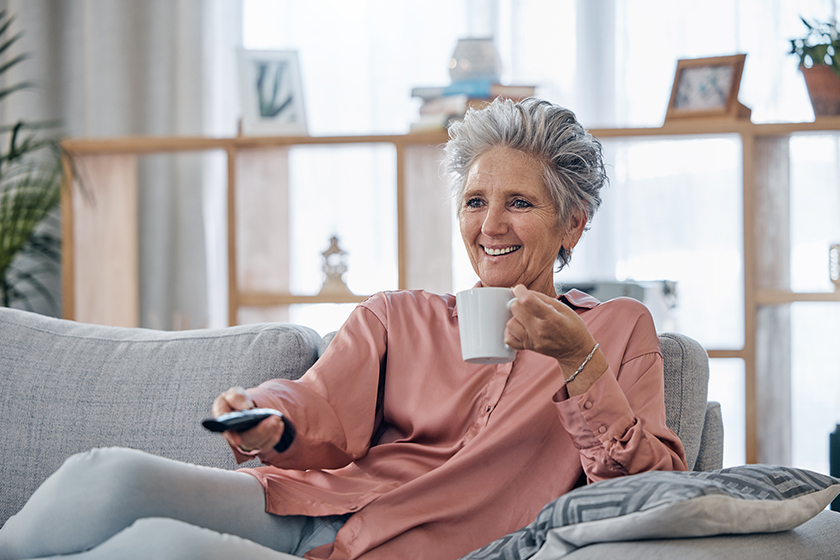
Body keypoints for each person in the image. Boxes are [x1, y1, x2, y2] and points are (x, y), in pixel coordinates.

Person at [0, 98, 686, 560]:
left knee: (154, 546)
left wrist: (578, 364)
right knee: (107, 474)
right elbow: (321, 404)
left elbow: (652, 490)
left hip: (395, 549)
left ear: (573, 224)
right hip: (307, 509)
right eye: (476, 201)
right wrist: (269, 419)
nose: (491, 225)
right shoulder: (400, 315)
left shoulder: (614, 332)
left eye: (520, 203)